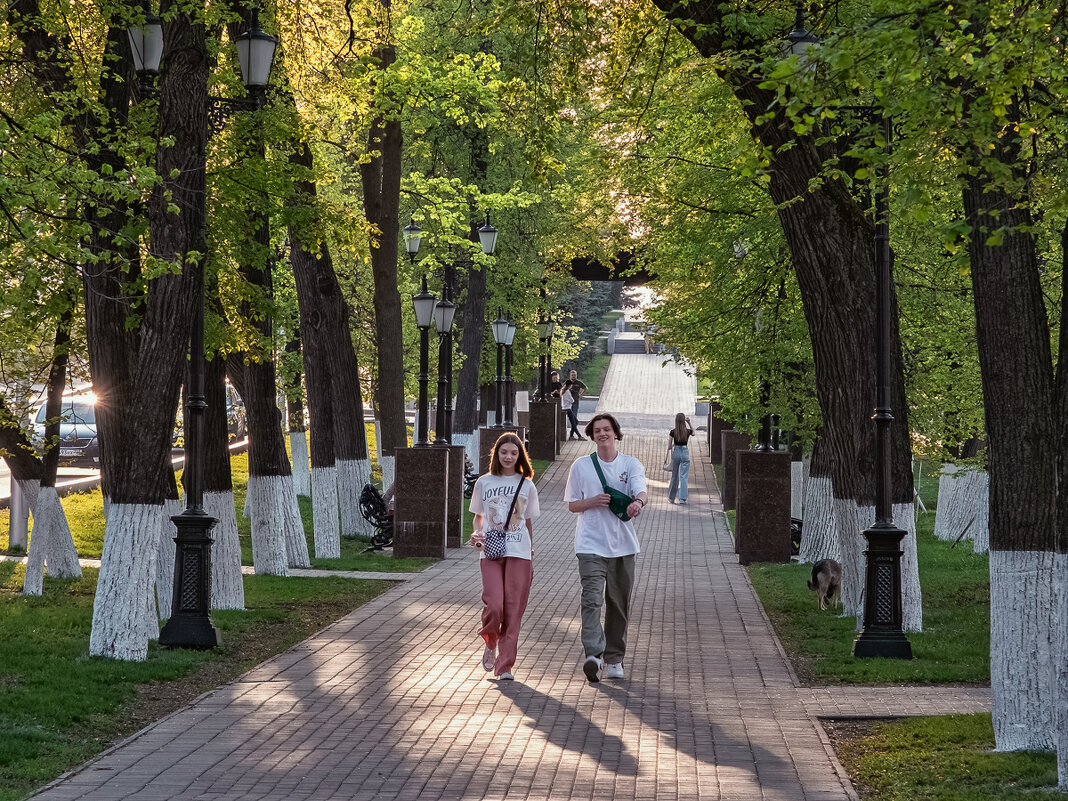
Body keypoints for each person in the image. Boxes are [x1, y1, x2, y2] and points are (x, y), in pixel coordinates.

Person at [563, 412, 647, 682]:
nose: (602, 434)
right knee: (591, 600)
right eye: (597, 430)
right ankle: (593, 654)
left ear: (615, 433)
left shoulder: (630, 463)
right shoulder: (580, 466)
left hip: (623, 546)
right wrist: (592, 501)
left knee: (618, 604)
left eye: (606, 429)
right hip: (590, 545)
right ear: (592, 435)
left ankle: (614, 659)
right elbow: (572, 504)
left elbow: (641, 491)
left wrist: (638, 503)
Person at [469, 432, 540, 681]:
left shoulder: (527, 484)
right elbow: (478, 515)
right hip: (490, 550)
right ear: (496, 454)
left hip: (519, 551)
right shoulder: (484, 482)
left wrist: (530, 551)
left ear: (520, 455)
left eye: (514, 453)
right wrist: (477, 533)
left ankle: (505, 666)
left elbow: (527, 521)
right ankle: (490, 641)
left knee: (513, 610)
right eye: (504, 452)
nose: (509, 457)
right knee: (495, 604)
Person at [666, 412, 694, 505]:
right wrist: (689, 423)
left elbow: (669, 446)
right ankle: (682, 499)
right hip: (685, 453)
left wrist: (674, 444)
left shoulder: (673, 432)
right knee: (683, 476)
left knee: (674, 476)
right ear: (684, 421)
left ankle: (671, 498)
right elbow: (693, 433)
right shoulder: (687, 431)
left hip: (676, 452)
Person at [562, 369, 588, 440]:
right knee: (574, 420)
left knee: (574, 419)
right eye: (572, 375)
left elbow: (585, 388)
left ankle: (572, 435)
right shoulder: (567, 383)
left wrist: (581, 395)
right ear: (570, 376)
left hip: (575, 402)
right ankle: (575, 436)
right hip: (568, 404)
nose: (574, 376)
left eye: (575, 375)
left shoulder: (578, 382)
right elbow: (562, 389)